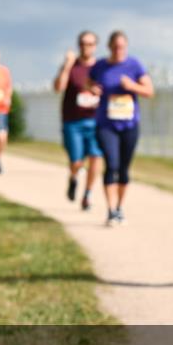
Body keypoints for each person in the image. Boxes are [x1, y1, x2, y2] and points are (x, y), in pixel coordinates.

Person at [89, 31, 154, 226]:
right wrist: (92, 88)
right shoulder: (100, 66)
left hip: (129, 124)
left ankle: (119, 207)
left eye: (122, 47)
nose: (118, 50)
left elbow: (150, 91)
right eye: (115, 47)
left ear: (126, 47)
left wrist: (132, 86)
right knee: (112, 164)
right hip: (106, 124)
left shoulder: (134, 65)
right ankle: (110, 210)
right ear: (109, 47)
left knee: (124, 168)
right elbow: (89, 81)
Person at [54, 31, 102, 211]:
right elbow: (58, 87)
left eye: (90, 44)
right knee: (76, 162)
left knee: (96, 157)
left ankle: (87, 194)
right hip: (73, 122)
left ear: (95, 46)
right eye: (83, 43)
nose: (86, 47)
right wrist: (66, 65)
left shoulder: (100, 67)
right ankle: (73, 178)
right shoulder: (71, 66)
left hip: (96, 121)